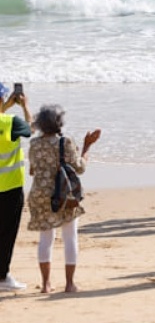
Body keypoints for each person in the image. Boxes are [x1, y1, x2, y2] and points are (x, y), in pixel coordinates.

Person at [27, 105, 100, 293]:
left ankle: (46, 284)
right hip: (63, 194)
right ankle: (69, 283)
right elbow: (80, 167)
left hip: (39, 194)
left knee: (45, 238)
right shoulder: (65, 142)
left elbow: (32, 169)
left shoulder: (34, 144)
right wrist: (86, 146)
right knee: (70, 237)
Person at [0, 90, 32, 292]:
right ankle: (3, 276)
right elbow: (31, 129)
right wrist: (25, 106)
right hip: (9, 187)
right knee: (6, 234)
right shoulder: (10, 122)